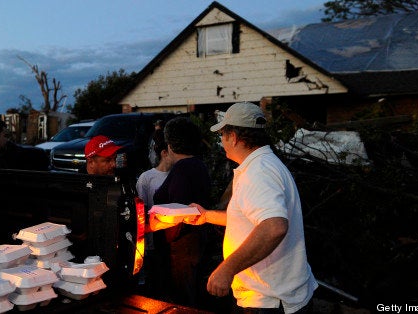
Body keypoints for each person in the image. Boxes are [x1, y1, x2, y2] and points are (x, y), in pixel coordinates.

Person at [184, 102, 317, 313]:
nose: (222, 141)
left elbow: (274, 227)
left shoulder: (258, 172)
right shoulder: (263, 164)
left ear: (234, 137)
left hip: (269, 301)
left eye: (223, 135)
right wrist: (207, 216)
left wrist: (227, 269)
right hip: (274, 296)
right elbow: (251, 218)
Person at [149, 116, 211, 306]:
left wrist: (155, 229)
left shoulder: (182, 169)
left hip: (182, 247)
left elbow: (177, 210)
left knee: (183, 299)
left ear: (170, 145)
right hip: (196, 241)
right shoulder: (199, 165)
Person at [135, 128, 172, 294]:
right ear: (164, 153)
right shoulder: (147, 178)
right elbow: (142, 212)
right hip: (153, 241)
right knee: (155, 281)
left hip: (172, 240)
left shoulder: (177, 174)